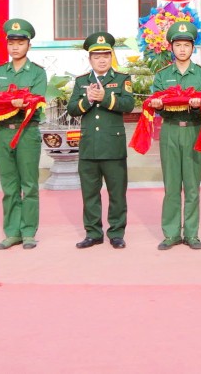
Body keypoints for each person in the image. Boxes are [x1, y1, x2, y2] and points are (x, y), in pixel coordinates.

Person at [149, 21, 201, 250]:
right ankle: (171, 233)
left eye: (187, 45)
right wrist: (157, 105)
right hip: (170, 130)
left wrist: (199, 105)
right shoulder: (163, 75)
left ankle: (192, 233)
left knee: (193, 185)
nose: (182, 49)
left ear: (192, 48)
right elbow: (154, 102)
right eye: (178, 45)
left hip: (195, 130)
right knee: (172, 184)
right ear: (171, 47)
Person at [67, 31, 135, 249]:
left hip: (113, 147)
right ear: (90, 59)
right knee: (89, 193)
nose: (102, 59)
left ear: (111, 56)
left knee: (117, 193)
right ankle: (93, 232)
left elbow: (128, 105)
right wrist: (87, 99)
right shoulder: (81, 81)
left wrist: (104, 97)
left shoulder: (122, 79)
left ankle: (116, 232)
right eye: (97, 56)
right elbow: (71, 110)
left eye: (106, 54)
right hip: (89, 146)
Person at [0, 18, 48, 250]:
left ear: (28, 45)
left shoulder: (37, 73)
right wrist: (12, 103)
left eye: (20, 42)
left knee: (29, 184)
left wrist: (14, 103)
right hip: (3, 131)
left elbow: (36, 100)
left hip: (27, 132)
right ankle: (12, 231)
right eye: (11, 42)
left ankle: (29, 231)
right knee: (9, 185)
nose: (15, 47)